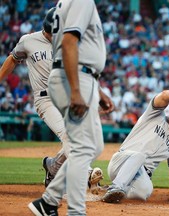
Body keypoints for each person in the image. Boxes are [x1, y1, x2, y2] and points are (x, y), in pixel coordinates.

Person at [0, 7, 102, 189]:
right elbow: (12, 59)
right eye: (49, 32)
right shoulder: (28, 41)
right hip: (45, 99)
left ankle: (52, 167)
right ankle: (86, 174)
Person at [28, 1, 113, 215]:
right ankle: (75, 211)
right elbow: (68, 43)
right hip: (75, 78)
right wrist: (76, 90)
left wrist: (98, 91)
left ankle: (47, 202)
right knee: (83, 147)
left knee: (94, 146)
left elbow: (77, 48)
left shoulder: (66, 3)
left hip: (83, 78)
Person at [102, 90, 169, 203]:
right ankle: (116, 186)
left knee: (145, 192)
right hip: (122, 162)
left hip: (140, 175)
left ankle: (106, 189)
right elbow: (165, 95)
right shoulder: (155, 114)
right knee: (140, 156)